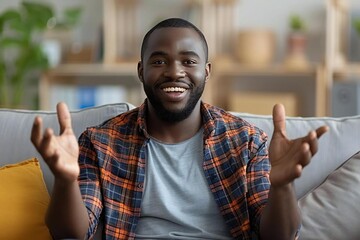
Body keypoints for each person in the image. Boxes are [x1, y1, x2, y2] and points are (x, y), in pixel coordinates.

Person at [31, 18, 328, 240]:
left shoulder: (246, 141)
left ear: (206, 72)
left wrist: (281, 186)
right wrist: (65, 180)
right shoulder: (101, 142)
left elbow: (279, 236)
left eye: (189, 61)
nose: (174, 71)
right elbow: (69, 233)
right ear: (141, 71)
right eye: (159, 61)